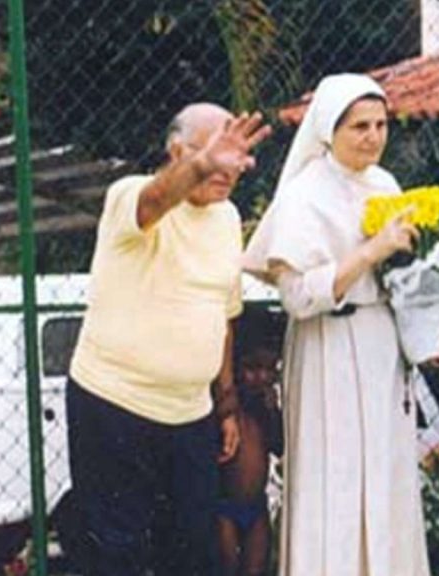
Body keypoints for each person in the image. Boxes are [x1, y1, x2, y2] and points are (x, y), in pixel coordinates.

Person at [65, 103, 272, 576]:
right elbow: (155, 200)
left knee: (192, 555)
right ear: (177, 151)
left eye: (235, 156)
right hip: (113, 405)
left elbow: (223, 315)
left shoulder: (227, 219)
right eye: (215, 152)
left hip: (190, 416)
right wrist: (201, 165)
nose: (229, 166)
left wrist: (225, 404)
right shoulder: (130, 195)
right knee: (117, 557)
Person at [242, 73, 430, 576]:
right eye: (359, 126)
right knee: (335, 479)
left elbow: (402, 277)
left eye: (380, 125)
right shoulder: (304, 194)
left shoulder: (386, 185)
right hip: (328, 345)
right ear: (329, 129)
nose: (373, 136)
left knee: (386, 477)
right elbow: (298, 296)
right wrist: (369, 252)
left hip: (382, 347)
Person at [217, 305, 285, 576]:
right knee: (226, 566)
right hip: (223, 507)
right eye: (252, 368)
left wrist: (272, 411)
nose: (262, 377)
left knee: (256, 568)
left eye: (270, 368)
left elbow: (279, 446)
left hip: (256, 507)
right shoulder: (226, 411)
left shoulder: (262, 407)